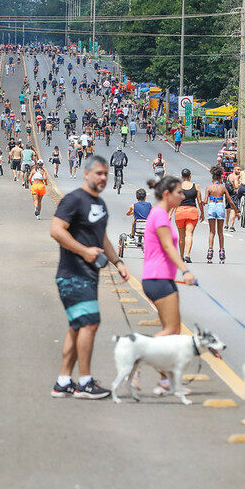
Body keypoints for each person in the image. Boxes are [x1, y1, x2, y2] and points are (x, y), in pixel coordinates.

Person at [50, 155, 129, 400]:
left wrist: (117, 262)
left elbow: (101, 238)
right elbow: (56, 230)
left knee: (77, 327)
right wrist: (84, 251)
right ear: (86, 174)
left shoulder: (100, 204)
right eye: (98, 173)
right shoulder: (73, 199)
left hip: (89, 275)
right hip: (72, 274)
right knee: (89, 324)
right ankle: (84, 382)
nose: (103, 178)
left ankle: (63, 382)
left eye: (106, 174)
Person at [142, 175, 196, 395]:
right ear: (167, 194)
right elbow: (168, 246)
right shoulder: (160, 216)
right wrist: (186, 270)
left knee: (171, 334)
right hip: (158, 278)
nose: (183, 196)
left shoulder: (161, 214)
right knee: (172, 330)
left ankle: (166, 381)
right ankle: (136, 359)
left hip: (161, 278)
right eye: (179, 193)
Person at [204, 165, 239, 263]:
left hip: (211, 206)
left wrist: (202, 202)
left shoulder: (209, 188)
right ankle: (222, 252)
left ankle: (210, 251)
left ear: (212, 179)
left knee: (212, 232)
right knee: (220, 232)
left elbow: (205, 201)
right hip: (220, 207)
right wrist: (236, 212)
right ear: (220, 178)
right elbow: (231, 201)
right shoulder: (223, 188)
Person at [174, 168, 204, 262]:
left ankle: (181, 256)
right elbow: (199, 201)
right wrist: (202, 212)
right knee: (189, 234)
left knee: (181, 236)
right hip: (192, 212)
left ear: (182, 176)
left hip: (180, 212)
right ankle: (187, 255)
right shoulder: (196, 186)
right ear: (190, 176)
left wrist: (169, 213)